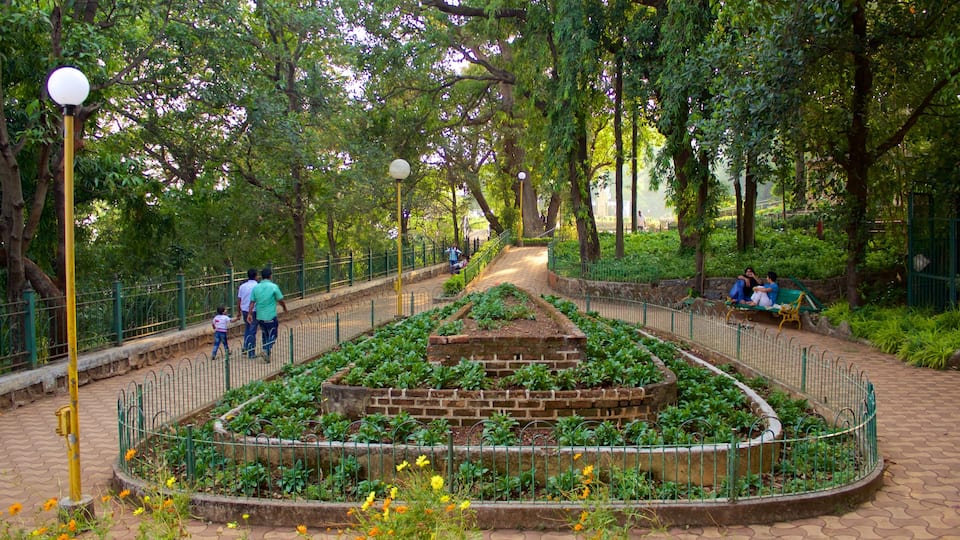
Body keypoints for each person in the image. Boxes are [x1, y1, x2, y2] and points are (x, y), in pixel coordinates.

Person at [247, 267, 287, 362]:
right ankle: (266, 350)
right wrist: (284, 307)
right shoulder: (273, 287)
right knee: (273, 334)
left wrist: (249, 314)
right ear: (270, 276)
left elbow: (252, 302)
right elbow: (280, 299)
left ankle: (267, 356)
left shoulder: (256, 287)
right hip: (270, 316)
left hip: (260, 316)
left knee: (265, 335)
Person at [236, 268, 259, 358]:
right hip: (253, 310)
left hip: (244, 310)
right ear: (256, 276)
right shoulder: (257, 286)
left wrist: (238, 311)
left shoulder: (242, 286)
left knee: (247, 328)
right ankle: (251, 352)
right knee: (252, 330)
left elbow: (239, 300)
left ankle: (245, 346)